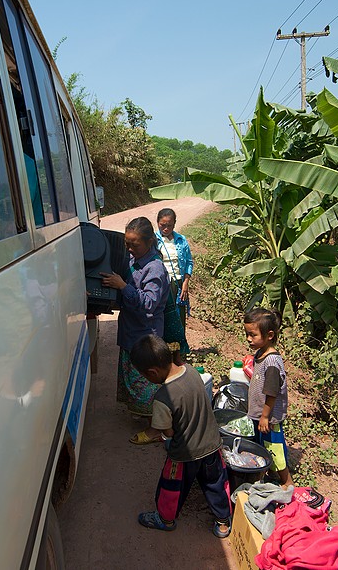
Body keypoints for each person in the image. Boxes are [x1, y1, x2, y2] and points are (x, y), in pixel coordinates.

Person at [129, 334, 233, 537]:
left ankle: (165, 519)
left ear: (152, 372)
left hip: (184, 454)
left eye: (146, 377)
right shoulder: (192, 372)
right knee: (216, 483)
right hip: (212, 444)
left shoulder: (163, 398)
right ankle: (223, 522)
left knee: (171, 487)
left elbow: (168, 432)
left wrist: (162, 437)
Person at [100, 217, 170, 418]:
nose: (130, 249)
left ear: (149, 242)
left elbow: (149, 303)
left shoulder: (154, 268)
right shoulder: (134, 260)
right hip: (131, 332)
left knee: (146, 381)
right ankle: (140, 414)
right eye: (127, 244)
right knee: (133, 378)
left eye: (135, 245)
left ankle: (156, 424)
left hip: (145, 336)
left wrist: (123, 286)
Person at [244, 307, 294, 489]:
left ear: (270, 335)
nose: (248, 339)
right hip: (261, 414)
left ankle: (286, 481)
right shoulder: (260, 353)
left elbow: (272, 392)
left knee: (274, 447)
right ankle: (268, 472)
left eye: (253, 335)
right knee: (263, 445)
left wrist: (265, 416)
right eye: (247, 334)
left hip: (269, 416)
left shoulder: (272, 362)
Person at [155, 208, 192, 365]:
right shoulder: (153, 240)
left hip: (177, 285)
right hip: (161, 284)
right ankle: (162, 353)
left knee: (179, 319)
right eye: (162, 225)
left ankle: (177, 354)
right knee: (162, 318)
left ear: (174, 224)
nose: (165, 228)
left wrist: (185, 284)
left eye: (169, 225)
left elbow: (189, 262)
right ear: (157, 223)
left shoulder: (181, 240)